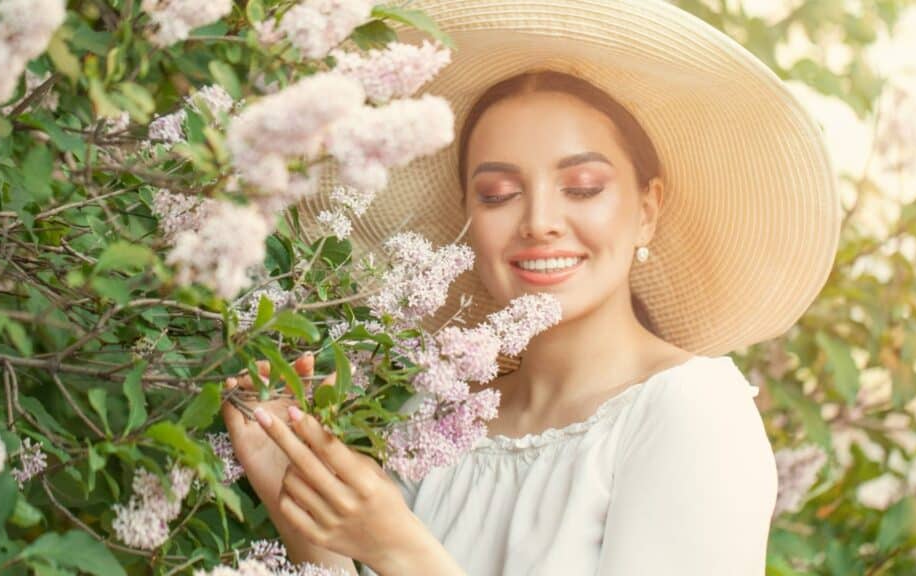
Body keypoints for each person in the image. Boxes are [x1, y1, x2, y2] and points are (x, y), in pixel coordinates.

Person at [222, 0, 842, 574]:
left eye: (583, 187)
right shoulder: (438, 418)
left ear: (647, 209)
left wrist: (401, 550)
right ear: (468, 218)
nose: (540, 220)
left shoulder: (687, 412)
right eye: (498, 194)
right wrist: (295, 495)